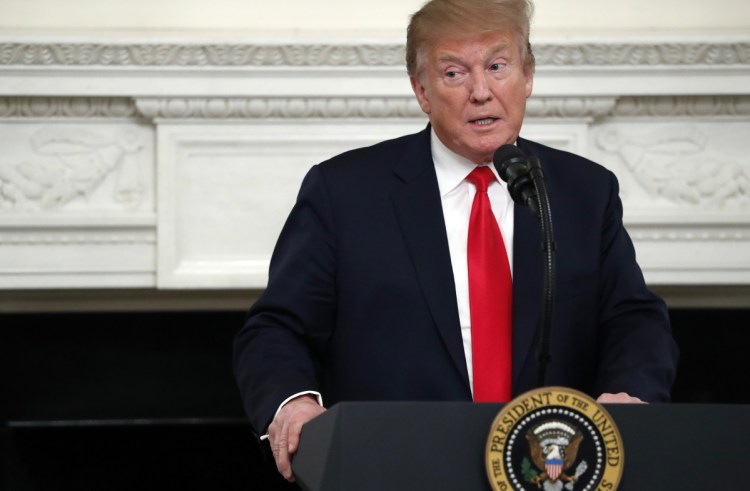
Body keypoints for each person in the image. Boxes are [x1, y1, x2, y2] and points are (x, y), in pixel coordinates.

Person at [233, 0, 678, 482]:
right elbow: (276, 329)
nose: (481, 92)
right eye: (453, 73)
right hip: (394, 471)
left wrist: (630, 394)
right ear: (421, 90)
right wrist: (294, 403)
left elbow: (634, 320)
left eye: (497, 66)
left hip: (547, 471)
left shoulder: (584, 191)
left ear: (527, 77)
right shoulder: (344, 192)